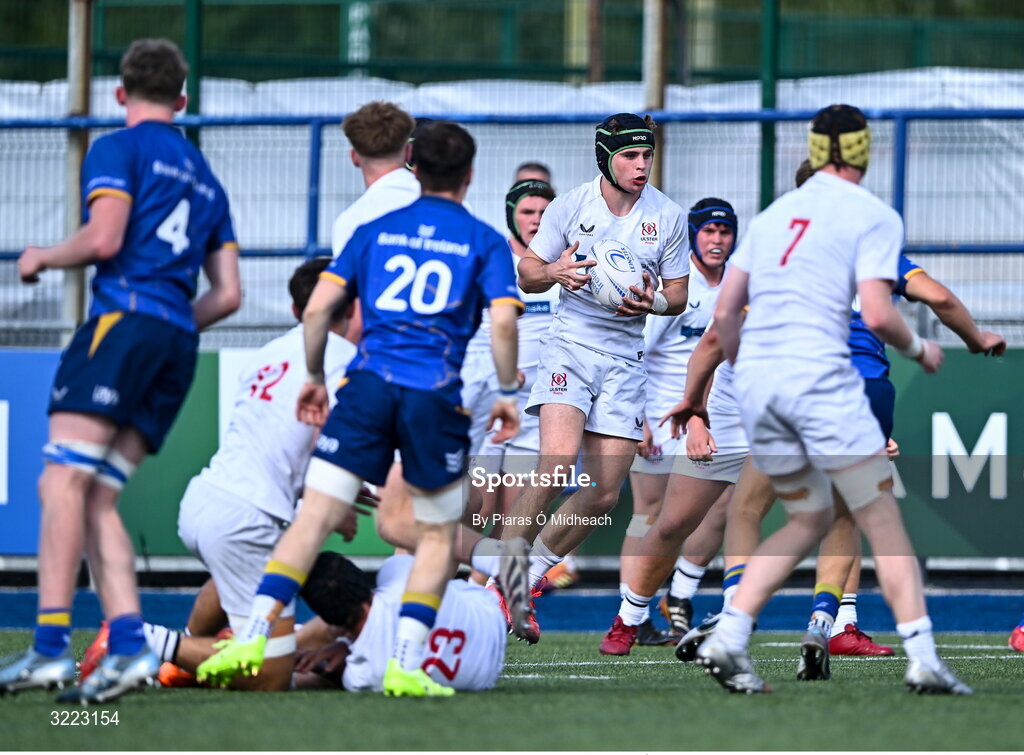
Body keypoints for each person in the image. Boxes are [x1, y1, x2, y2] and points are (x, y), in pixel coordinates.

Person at [195, 121, 531, 698]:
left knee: (313, 518)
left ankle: (252, 634)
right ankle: (404, 661)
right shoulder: (482, 239)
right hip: (434, 395)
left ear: (413, 168)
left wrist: (314, 376)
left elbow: (320, 305)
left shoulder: (373, 227)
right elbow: (503, 319)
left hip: (369, 385)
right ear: (470, 176)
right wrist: (504, 388)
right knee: (430, 536)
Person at [671, 159, 1006, 675]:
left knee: (747, 509)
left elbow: (718, 332)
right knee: (848, 515)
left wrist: (694, 402)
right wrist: (976, 338)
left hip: (800, 383)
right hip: (867, 391)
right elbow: (935, 296)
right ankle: (826, 624)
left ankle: (737, 613)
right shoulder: (870, 238)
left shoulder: (774, 245)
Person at [0, 38, 241, 704]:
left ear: (119, 92)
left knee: (61, 479)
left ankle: (50, 648)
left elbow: (105, 238)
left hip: (123, 320)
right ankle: (129, 643)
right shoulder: (205, 173)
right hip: (174, 338)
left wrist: (42, 256)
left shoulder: (117, 148)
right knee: (96, 491)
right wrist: (168, 325)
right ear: (183, 99)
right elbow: (228, 294)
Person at [499, 113, 690, 643]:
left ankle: (529, 578)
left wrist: (649, 301)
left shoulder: (669, 216)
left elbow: (677, 295)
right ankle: (507, 579)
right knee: (556, 464)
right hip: (570, 348)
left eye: (647, 155)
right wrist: (554, 272)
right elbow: (527, 274)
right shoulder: (572, 206)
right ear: (606, 156)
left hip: (626, 359)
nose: (641, 165)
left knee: (604, 494)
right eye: (630, 156)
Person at [602, 198, 735, 652]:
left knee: (716, 510)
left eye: (725, 232)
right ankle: (631, 613)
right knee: (651, 514)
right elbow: (637, 347)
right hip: (660, 416)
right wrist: (636, 418)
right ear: (694, 236)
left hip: (711, 418)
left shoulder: (737, 284)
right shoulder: (679, 286)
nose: (717, 240)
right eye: (709, 232)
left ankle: (678, 596)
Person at [470, 179, 558, 533]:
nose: (536, 220)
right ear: (512, 216)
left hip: (539, 408)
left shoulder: (567, 264)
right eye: (527, 212)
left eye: (544, 212)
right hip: (492, 401)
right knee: (476, 510)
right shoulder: (494, 261)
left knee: (515, 520)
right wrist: (501, 372)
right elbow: (476, 328)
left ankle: (490, 586)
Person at [294, 551, 509, 694]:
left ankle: (287, 649)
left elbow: (338, 672)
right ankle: (495, 557)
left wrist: (343, 649)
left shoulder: (363, 675)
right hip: (490, 614)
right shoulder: (397, 570)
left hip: (485, 676)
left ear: (332, 620)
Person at [330, 102, 420, 346]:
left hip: (386, 352)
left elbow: (356, 310)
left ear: (354, 157)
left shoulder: (352, 221)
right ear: (408, 152)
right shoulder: (453, 208)